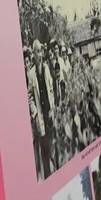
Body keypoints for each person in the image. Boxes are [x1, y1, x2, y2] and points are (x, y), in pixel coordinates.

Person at [27, 39, 56, 179]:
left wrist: (53, 106)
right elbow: (30, 96)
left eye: (41, 51)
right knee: (44, 150)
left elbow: (51, 89)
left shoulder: (46, 69)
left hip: (49, 114)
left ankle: (57, 173)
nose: (40, 54)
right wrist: (34, 113)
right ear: (33, 54)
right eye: (37, 51)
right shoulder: (31, 74)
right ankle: (48, 177)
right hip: (40, 117)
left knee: (53, 148)